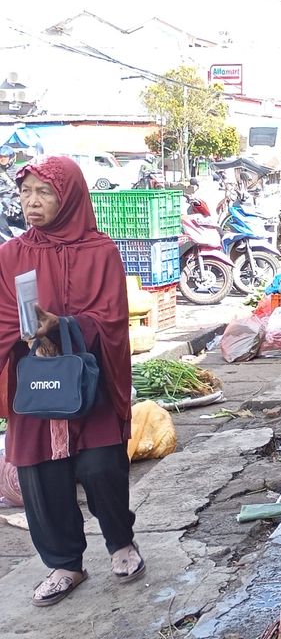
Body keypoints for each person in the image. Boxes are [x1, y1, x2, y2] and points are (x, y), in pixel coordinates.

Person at [0, 156, 143, 606]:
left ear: (69, 197)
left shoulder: (100, 251)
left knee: (101, 467)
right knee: (40, 474)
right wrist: (26, 335)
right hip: (34, 381)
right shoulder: (11, 253)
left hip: (88, 380)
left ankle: (121, 543)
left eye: (44, 192)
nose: (31, 202)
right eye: (26, 192)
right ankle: (65, 565)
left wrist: (61, 326)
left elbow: (112, 319)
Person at [0, 145, 23, 238]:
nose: (1, 159)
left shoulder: (18, 170)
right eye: (0, 157)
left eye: (4, 157)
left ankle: (8, 235)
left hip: (12, 198)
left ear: (11, 158)